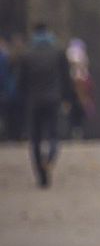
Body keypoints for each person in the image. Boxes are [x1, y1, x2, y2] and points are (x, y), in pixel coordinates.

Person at [17, 22, 76, 187]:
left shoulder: (27, 54)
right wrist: (67, 98)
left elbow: (21, 82)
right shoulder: (58, 52)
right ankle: (49, 159)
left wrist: (22, 100)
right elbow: (66, 78)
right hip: (53, 99)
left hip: (33, 101)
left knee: (35, 137)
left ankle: (40, 172)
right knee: (53, 134)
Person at [66, 38, 96, 139]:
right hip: (79, 83)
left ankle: (77, 130)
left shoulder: (70, 54)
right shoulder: (79, 55)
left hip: (75, 83)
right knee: (79, 107)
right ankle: (78, 130)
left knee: (76, 108)